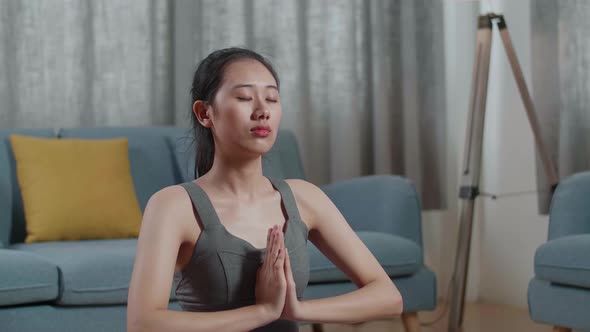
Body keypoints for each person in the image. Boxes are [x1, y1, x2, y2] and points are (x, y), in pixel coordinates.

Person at [127, 47, 403, 332]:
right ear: (204, 113)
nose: (262, 111)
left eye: (271, 98)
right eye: (245, 98)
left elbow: (388, 297)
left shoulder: (304, 198)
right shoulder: (173, 206)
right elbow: (142, 323)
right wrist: (264, 312)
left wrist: (297, 310)